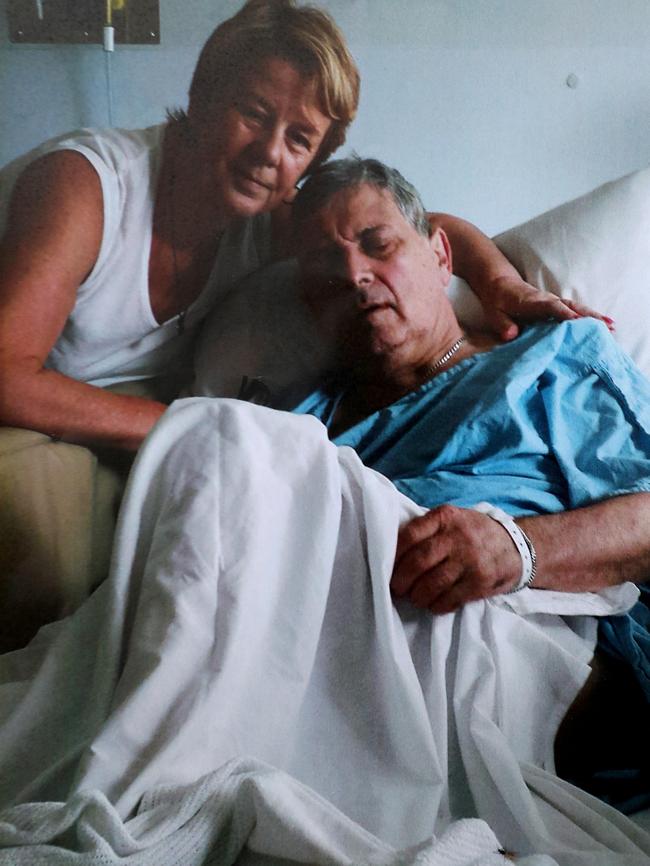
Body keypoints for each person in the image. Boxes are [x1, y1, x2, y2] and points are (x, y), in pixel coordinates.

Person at [0, 0, 594, 650]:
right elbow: (7, 374)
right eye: (252, 113)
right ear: (202, 96)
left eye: (299, 139)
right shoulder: (86, 186)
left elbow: (421, 229)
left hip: (118, 428)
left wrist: (501, 283)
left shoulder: (264, 209)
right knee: (49, 569)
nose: (269, 152)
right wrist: (193, 425)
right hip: (22, 411)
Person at [288, 155, 650, 808]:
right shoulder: (296, 427)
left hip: (533, 654)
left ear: (440, 256)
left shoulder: (552, 362)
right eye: (326, 271)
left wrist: (516, 548)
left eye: (378, 245)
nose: (354, 276)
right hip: (327, 672)